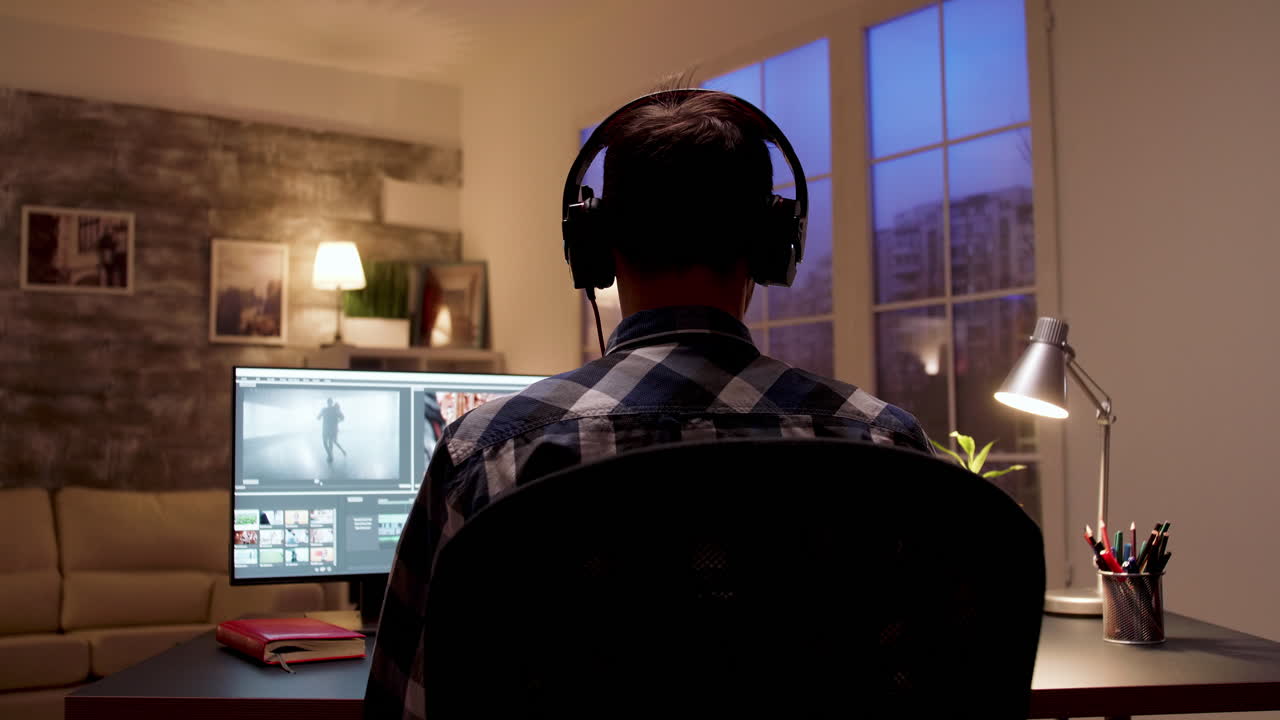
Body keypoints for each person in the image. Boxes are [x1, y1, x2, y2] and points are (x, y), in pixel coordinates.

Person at [365, 87, 934, 719]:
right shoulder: (889, 448)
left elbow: (407, 706)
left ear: (596, 247)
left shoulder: (488, 454)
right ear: (773, 247)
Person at [317, 398, 346, 463]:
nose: (329, 403)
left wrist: (338, 421)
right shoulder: (327, 409)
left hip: (330, 429)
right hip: (328, 429)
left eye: (330, 402)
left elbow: (342, 417)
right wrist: (338, 421)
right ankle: (330, 455)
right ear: (328, 403)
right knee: (329, 442)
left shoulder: (333, 409)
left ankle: (330, 456)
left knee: (330, 442)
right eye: (329, 402)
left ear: (329, 402)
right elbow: (318, 417)